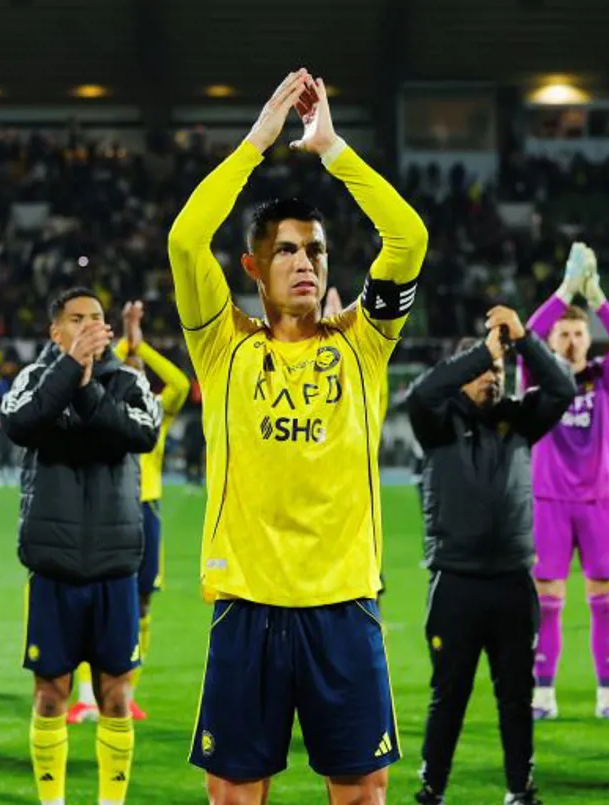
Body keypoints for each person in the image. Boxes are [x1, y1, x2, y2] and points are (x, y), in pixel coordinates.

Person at [169, 69, 427, 802]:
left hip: (343, 603)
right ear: (253, 266)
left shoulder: (363, 341)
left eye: (314, 251)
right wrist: (258, 141)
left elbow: (408, 237)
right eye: (286, 250)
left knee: (363, 791)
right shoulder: (222, 344)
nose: (305, 262)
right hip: (246, 604)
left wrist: (333, 150)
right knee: (233, 794)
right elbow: (186, 239)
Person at [0, 287, 161, 805]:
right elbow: (20, 423)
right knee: (50, 696)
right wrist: (70, 370)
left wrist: (88, 390)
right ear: (56, 332)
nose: (89, 325)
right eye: (76, 319)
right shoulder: (33, 379)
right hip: (54, 567)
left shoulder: (130, 382)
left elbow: (142, 435)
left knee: (116, 696)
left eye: (96, 318)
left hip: (114, 566)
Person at [408, 306, 575, 805]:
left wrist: (523, 340)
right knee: (449, 696)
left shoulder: (520, 419)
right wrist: (484, 351)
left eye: (499, 371)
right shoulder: (437, 421)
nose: (492, 378)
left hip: (512, 583)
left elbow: (563, 389)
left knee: (516, 697)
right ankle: (432, 788)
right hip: (456, 582)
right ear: (463, 373)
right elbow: (421, 392)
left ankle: (520, 789)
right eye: (483, 370)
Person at [524, 242, 609, 722]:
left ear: (588, 339)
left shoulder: (604, 378)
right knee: (548, 602)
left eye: (578, 332)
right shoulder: (537, 375)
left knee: (604, 602)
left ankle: (607, 698)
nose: (571, 340)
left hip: (599, 500)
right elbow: (527, 334)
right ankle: (543, 696)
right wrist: (565, 289)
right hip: (549, 500)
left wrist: (597, 299)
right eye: (564, 333)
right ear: (552, 341)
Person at [69, 300, 191, 725]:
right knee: (92, 599)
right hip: (108, 510)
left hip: (146, 512)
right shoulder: (107, 407)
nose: (134, 371)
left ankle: (127, 693)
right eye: (127, 368)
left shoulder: (155, 412)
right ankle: (86, 698)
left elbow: (180, 383)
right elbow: (102, 366)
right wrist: (124, 345)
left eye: (139, 370)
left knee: (141, 604)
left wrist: (142, 347)